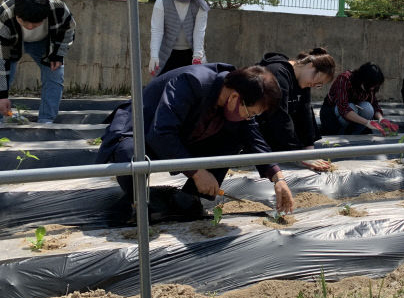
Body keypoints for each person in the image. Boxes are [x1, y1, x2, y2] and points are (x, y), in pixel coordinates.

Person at [96, 63, 294, 222]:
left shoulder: (234, 98)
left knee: (233, 139)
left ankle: (188, 198)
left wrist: (278, 178)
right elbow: (162, 133)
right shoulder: (192, 82)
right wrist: (198, 172)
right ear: (235, 97)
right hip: (141, 131)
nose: (250, 118)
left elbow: (253, 137)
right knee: (130, 153)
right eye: (251, 112)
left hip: (184, 135)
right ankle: (135, 200)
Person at [0, 0, 76, 123]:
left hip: (44, 43)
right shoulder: (4, 14)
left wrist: (58, 54)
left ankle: (46, 120)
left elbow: (69, 30)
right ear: (17, 15)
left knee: (55, 73)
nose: (29, 27)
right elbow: (1, 60)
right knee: (5, 75)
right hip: (12, 42)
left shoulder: (59, 8)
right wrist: (1, 95)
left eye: (35, 24)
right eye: (24, 22)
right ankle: (1, 118)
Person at [258, 47, 336, 172]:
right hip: (257, 129)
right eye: (317, 81)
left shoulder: (303, 80)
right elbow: (279, 115)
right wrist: (298, 153)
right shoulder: (278, 72)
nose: (315, 85)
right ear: (310, 66)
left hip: (276, 133)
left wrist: (309, 151)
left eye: (319, 85)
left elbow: (305, 113)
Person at [149, 0, 210, 77]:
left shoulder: (200, 4)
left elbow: (199, 31)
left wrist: (197, 56)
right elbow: (157, 30)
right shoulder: (162, 2)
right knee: (162, 86)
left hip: (191, 53)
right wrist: (154, 55)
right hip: (167, 54)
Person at [319, 62, 399, 136]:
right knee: (352, 107)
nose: (373, 88)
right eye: (371, 85)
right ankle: (343, 132)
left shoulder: (371, 86)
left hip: (354, 112)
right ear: (363, 80)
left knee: (368, 109)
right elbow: (343, 108)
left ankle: (355, 133)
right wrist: (367, 123)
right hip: (333, 114)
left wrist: (381, 119)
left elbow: (374, 104)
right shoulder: (344, 79)